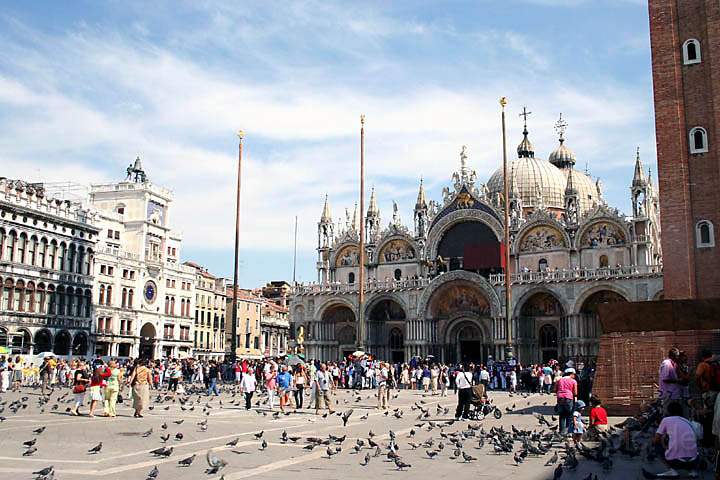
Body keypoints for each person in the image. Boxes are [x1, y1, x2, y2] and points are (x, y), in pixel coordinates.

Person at [647, 401, 701, 477]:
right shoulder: (687, 421)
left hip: (676, 462)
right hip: (694, 461)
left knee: (656, 444)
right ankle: (692, 471)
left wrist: (650, 444)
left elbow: (656, 439)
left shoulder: (666, 420)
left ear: (668, 411)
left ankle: (672, 471)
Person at [555, 368, 578, 435]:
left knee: (562, 415)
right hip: (568, 398)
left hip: (560, 398)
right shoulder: (573, 381)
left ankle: (562, 431)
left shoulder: (559, 380)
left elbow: (555, 389)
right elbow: (575, 392)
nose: (574, 376)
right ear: (571, 374)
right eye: (574, 374)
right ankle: (568, 431)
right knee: (569, 415)